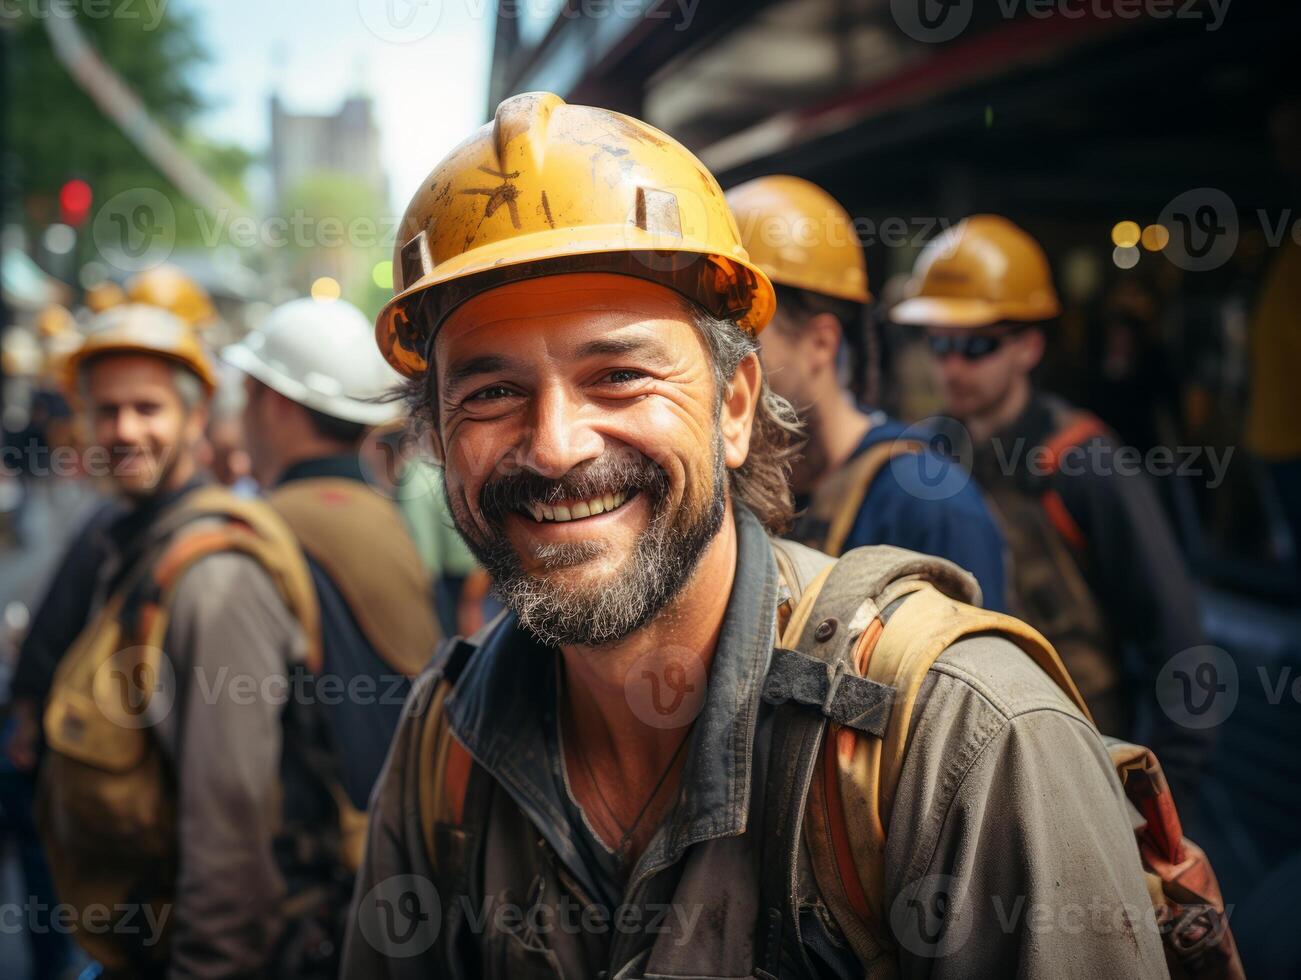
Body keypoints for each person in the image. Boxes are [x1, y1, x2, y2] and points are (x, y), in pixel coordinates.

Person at [341, 93, 1173, 979]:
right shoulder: (444, 741)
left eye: (618, 374)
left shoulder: (961, 741)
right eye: (490, 393)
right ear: (434, 435)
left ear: (733, 409)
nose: (553, 448)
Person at [30, 304, 345, 978]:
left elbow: (229, 843)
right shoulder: (134, 543)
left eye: (148, 409)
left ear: (196, 420)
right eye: (106, 410)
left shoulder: (213, 580)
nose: (123, 431)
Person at [891, 214, 1211, 804]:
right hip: (957, 767)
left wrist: (1156, 808)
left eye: (976, 344)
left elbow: (1180, 643)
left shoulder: (1085, 464)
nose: (952, 365)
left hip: (1081, 771)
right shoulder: (927, 458)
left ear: (1029, 347)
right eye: (938, 342)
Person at [726, 176, 1007, 608]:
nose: (720, 368)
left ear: (820, 343)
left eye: (744, 343)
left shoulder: (929, 505)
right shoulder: (731, 494)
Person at [221, 295, 439, 813]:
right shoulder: (386, 518)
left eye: (248, 394)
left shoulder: (260, 533)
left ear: (276, 404)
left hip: (320, 853)